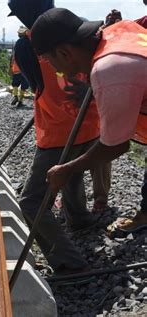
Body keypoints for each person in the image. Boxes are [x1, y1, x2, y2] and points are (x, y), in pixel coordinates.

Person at [7, 0, 104, 278]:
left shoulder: (26, 45)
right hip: (90, 124)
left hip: (58, 131)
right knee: (71, 172)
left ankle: (68, 261)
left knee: (32, 202)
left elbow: (33, 82)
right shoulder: (76, 27)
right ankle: (79, 219)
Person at [31, 8, 147, 233]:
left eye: (51, 62)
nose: (58, 72)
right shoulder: (114, 33)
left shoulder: (109, 71)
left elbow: (116, 145)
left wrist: (66, 169)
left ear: (64, 53)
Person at [9, 26, 30, 108]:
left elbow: (12, 57)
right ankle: (20, 101)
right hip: (25, 69)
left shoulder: (16, 44)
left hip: (16, 68)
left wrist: (10, 67)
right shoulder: (28, 43)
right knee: (24, 86)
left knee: (15, 84)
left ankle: (15, 97)